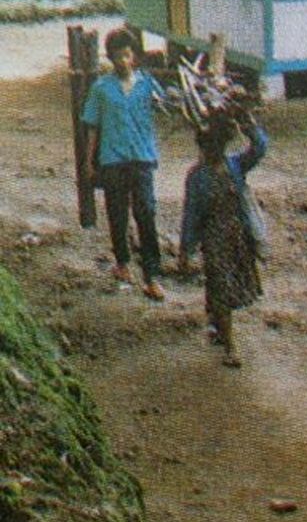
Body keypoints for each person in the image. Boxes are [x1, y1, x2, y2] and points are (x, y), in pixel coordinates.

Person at [178, 110, 268, 368]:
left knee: (225, 287)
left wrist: (249, 125)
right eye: (211, 146)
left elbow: (260, 148)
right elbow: (191, 214)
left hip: (237, 236)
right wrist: (186, 250)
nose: (214, 150)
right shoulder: (198, 177)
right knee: (222, 288)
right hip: (214, 239)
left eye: (219, 145)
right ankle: (230, 346)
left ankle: (216, 324)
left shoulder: (234, 165)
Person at [82, 26, 167, 301]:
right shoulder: (101, 89)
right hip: (113, 160)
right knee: (117, 215)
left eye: (127, 55)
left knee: (146, 214)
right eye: (117, 56)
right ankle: (122, 263)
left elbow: (167, 105)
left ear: (135, 57)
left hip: (142, 158)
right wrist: (89, 162)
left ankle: (152, 276)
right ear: (110, 58)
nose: (122, 61)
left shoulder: (147, 85)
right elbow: (92, 127)